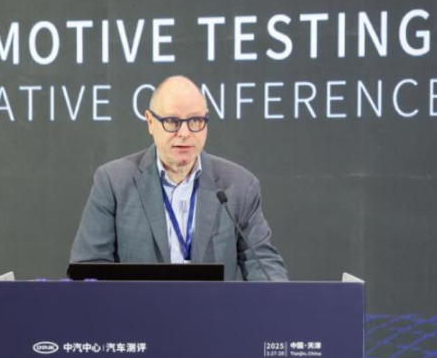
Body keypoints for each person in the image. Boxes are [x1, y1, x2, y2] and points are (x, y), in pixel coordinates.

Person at [70, 75, 288, 281]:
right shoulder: (113, 182)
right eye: (172, 121)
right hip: (137, 308)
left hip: (212, 308)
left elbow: (264, 264)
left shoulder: (239, 185)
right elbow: (89, 267)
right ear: (150, 122)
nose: (184, 133)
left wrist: (280, 300)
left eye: (195, 121)